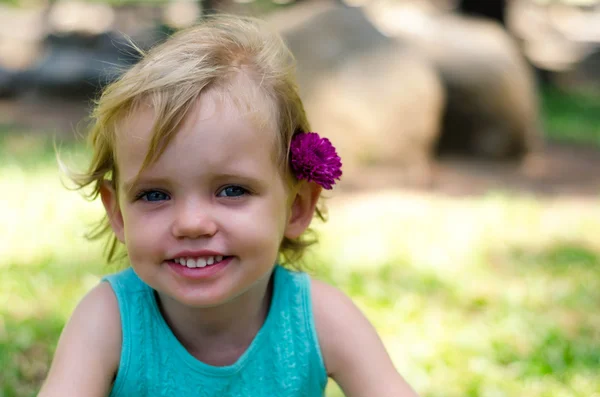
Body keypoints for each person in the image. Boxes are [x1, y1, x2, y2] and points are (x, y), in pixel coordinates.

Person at [39, 15, 419, 397]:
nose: (192, 223)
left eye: (232, 190)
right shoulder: (109, 322)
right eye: (154, 195)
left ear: (297, 207)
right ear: (118, 212)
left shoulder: (319, 319)